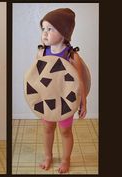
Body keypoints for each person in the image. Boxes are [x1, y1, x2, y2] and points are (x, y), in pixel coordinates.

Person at [38, 8, 87, 173]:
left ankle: (66, 159)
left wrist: (83, 103)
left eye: (50, 29)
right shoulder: (41, 52)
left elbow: (80, 82)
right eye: (43, 29)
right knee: (47, 127)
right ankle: (48, 156)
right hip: (48, 99)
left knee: (65, 130)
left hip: (66, 101)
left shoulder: (72, 56)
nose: (45, 33)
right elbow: (35, 79)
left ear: (64, 33)